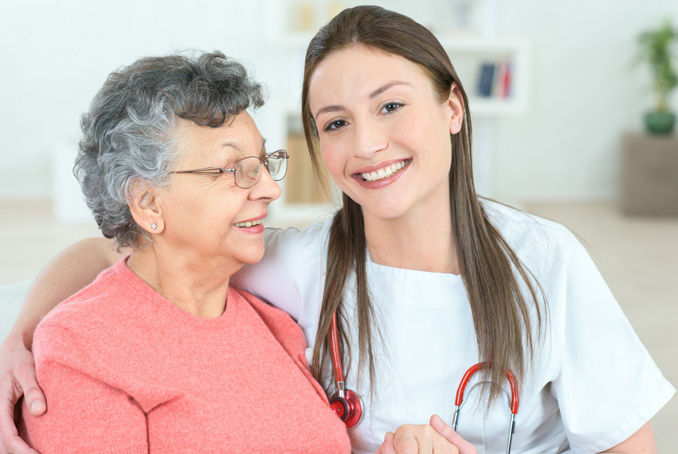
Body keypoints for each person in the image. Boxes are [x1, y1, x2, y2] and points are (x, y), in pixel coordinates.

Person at [0, 5, 674, 453]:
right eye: (335, 123)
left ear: (454, 108)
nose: (369, 144)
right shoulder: (293, 266)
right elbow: (126, 260)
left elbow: (624, 438)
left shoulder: (543, 259)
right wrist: (22, 340)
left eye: (391, 105)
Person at [11, 50, 355, 453]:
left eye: (263, 163)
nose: (269, 189)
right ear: (147, 203)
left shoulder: (273, 323)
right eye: (232, 169)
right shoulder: (79, 351)